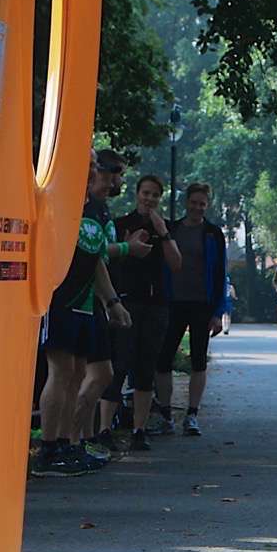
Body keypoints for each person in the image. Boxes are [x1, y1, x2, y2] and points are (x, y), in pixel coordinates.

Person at [33, 151, 137, 475]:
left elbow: (96, 261)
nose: (92, 171)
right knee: (61, 371)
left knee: (78, 373)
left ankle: (69, 443)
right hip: (58, 299)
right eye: (86, 164)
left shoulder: (92, 207)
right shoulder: (54, 202)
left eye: (93, 166)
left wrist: (112, 302)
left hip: (84, 301)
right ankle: (48, 449)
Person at [109, 171, 181, 451]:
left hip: (156, 305)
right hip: (127, 301)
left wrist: (162, 232)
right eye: (145, 193)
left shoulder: (165, 228)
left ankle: (139, 429)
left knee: (145, 367)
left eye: (155, 194)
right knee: (119, 364)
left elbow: (176, 264)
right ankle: (105, 427)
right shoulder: (121, 224)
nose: (149, 199)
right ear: (137, 193)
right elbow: (109, 259)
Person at [153, 183, 229, 436]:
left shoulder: (213, 234)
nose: (197, 207)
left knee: (199, 359)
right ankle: (165, 413)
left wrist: (219, 311)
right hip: (173, 302)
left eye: (202, 203)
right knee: (163, 359)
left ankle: (192, 414)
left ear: (207, 206)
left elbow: (221, 273)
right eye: (194, 202)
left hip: (201, 304)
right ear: (187, 202)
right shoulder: (172, 229)